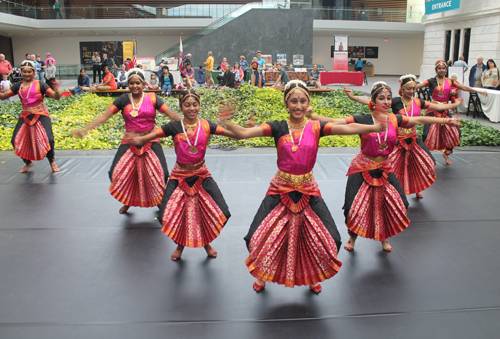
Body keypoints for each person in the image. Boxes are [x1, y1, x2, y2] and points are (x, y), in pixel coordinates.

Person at [219, 80, 387, 293]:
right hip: (280, 189)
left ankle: (312, 275)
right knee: (255, 236)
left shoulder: (317, 127)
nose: (298, 105)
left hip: (308, 188)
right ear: (286, 103)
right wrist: (227, 121)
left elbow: (348, 128)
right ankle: (263, 275)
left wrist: (373, 127)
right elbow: (243, 134)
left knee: (332, 238)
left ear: (308, 103)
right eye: (293, 101)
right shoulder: (277, 127)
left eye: (302, 101)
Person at [307, 81, 463, 252]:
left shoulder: (394, 119)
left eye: (389, 98)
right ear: (372, 102)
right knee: (353, 206)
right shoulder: (363, 119)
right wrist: (314, 117)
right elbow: (338, 122)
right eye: (382, 98)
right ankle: (352, 236)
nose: (387, 102)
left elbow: (418, 119)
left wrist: (445, 121)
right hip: (363, 166)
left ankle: (384, 237)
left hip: (385, 166)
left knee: (398, 203)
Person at [130, 89, 236, 260]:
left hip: (202, 173)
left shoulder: (207, 125)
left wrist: (234, 126)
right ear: (181, 107)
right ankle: (180, 245)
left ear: (200, 106)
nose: (191, 108)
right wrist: (139, 139)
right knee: (166, 214)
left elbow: (233, 135)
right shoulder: (174, 126)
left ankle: (206, 243)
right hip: (179, 175)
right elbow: (154, 134)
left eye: (195, 104)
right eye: (187, 105)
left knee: (222, 211)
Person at [72, 69, 182, 214]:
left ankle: (158, 201)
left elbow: (171, 114)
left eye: (138, 83)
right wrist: (85, 129)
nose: (135, 86)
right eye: (131, 83)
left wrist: (191, 123)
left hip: (150, 138)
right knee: (114, 173)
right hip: (130, 141)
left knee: (163, 173)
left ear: (144, 85)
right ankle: (128, 201)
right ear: (127, 84)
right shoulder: (123, 99)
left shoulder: (153, 98)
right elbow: (105, 116)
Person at [344, 74, 462, 198]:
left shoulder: (418, 102)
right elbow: (372, 102)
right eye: (408, 88)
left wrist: (453, 106)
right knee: (395, 167)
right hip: (398, 139)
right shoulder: (394, 101)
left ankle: (416, 188)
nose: (411, 91)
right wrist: (354, 98)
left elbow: (434, 109)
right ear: (402, 89)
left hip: (413, 138)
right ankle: (394, 190)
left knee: (425, 162)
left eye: (413, 88)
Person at [416, 60, 487, 165]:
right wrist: (407, 86)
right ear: (436, 70)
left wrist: (478, 91)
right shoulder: (431, 81)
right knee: (426, 135)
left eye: (443, 68)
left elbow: (463, 87)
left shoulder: (449, 81)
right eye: (439, 68)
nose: (441, 70)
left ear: (446, 70)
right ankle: (422, 158)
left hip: (445, 110)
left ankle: (446, 153)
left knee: (456, 133)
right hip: (433, 110)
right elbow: (417, 87)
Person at [0, 60, 61, 173]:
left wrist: (57, 91)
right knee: (15, 140)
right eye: (24, 72)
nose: (27, 74)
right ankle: (28, 162)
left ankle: (52, 162)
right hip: (26, 115)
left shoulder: (40, 84)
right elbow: (4, 96)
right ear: (21, 72)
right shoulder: (18, 86)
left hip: (41, 114)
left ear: (34, 72)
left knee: (49, 139)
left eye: (29, 72)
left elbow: (55, 97)